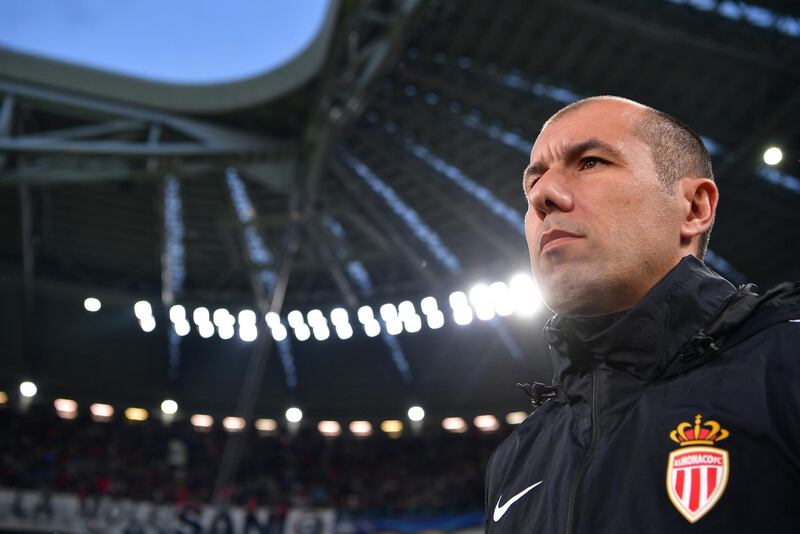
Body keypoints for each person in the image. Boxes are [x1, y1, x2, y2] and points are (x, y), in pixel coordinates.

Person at [484, 96, 800, 532]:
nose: (542, 195)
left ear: (694, 208)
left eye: (591, 162)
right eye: (533, 181)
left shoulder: (787, 365)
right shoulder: (518, 455)